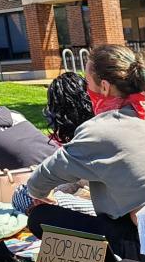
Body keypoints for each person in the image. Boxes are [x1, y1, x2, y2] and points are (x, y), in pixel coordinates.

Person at [25, 44, 145, 260]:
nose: (86, 90)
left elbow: (37, 182)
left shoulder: (99, 130)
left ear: (104, 86)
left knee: (40, 216)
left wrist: (44, 197)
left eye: (87, 83)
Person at [11, 72, 95, 216]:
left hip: (108, 209)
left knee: (39, 211)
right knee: (23, 195)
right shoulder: (82, 138)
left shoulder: (90, 139)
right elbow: (78, 181)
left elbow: (103, 201)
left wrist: (56, 199)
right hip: (87, 197)